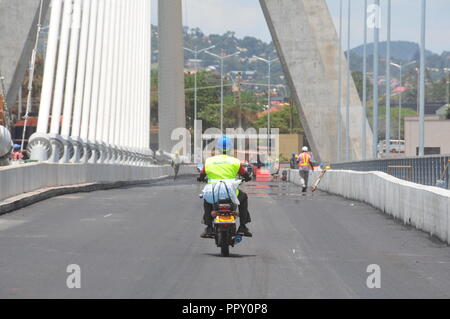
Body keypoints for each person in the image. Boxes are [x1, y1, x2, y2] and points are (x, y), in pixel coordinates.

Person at [197, 136, 253, 238]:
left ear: (217, 148)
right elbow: (245, 174)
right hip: (231, 194)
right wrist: (248, 177)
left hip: (213, 194)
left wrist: (200, 178)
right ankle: (243, 226)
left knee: (206, 201)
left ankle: (209, 227)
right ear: (230, 148)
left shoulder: (209, 161)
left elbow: (202, 174)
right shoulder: (235, 161)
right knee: (243, 197)